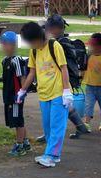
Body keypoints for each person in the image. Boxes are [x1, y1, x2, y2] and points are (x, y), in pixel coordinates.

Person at [18, 22, 73, 168]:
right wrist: (22, 90)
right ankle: (53, 154)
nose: (29, 45)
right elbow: (31, 72)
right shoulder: (34, 51)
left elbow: (64, 68)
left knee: (57, 126)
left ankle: (51, 155)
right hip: (43, 94)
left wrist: (66, 91)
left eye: (30, 41)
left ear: (37, 38)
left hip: (59, 92)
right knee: (48, 127)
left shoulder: (54, 46)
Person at [36, 14, 88, 141]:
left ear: (57, 29)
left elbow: (61, 64)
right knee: (64, 105)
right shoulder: (60, 41)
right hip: (61, 78)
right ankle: (80, 126)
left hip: (63, 79)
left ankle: (50, 134)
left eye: (49, 28)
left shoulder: (60, 43)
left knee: (54, 107)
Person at [0, 31, 31, 156]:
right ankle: (25, 142)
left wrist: (21, 92)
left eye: (5, 44)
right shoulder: (5, 61)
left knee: (17, 121)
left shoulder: (17, 60)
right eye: (2, 44)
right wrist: (0, 79)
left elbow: (22, 77)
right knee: (18, 119)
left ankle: (19, 146)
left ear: (13, 45)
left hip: (16, 97)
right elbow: (7, 77)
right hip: (8, 96)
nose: (3, 46)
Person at [84, 33, 101, 132]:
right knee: (88, 105)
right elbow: (84, 68)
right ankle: (86, 124)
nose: (91, 47)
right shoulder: (89, 55)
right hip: (90, 86)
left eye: (94, 45)